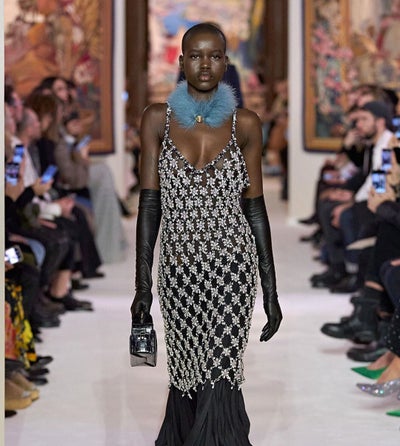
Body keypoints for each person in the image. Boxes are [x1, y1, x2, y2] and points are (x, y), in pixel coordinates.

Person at [130, 23, 282, 445]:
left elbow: (255, 209)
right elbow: (149, 206)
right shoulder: (157, 120)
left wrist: (269, 289)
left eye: (214, 56)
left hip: (232, 268)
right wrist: (143, 286)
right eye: (195, 55)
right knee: (187, 372)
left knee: (220, 372)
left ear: (225, 63)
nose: (204, 64)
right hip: (178, 271)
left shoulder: (245, 124)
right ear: (181, 62)